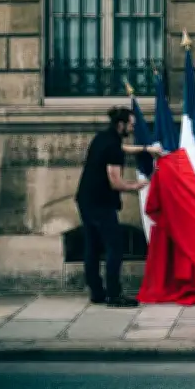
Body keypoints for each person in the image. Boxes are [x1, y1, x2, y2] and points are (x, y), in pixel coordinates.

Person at [75, 106, 160, 308]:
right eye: (131, 124)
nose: (133, 127)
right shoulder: (112, 147)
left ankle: (97, 292)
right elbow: (116, 183)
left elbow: (122, 148)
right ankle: (114, 295)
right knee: (115, 247)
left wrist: (146, 149)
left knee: (93, 246)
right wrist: (136, 186)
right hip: (101, 203)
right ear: (121, 124)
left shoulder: (103, 138)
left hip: (85, 199)